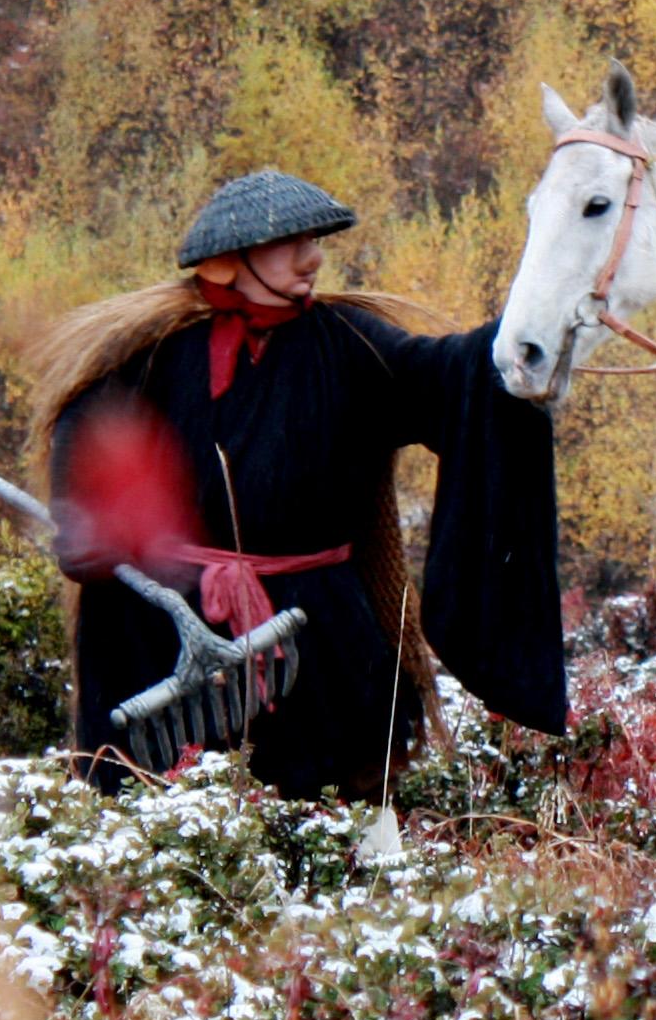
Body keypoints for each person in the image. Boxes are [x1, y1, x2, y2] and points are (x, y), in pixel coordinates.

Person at [30, 169, 566, 799]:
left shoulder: (348, 344)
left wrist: (516, 343)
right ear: (231, 262)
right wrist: (84, 524)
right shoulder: (151, 355)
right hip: (166, 627)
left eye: (315, 240)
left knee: (333, 806)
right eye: (293, 242)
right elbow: (85, 427)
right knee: (161, 802)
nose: (314, 257)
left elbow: (442, 380)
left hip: (317, 629)